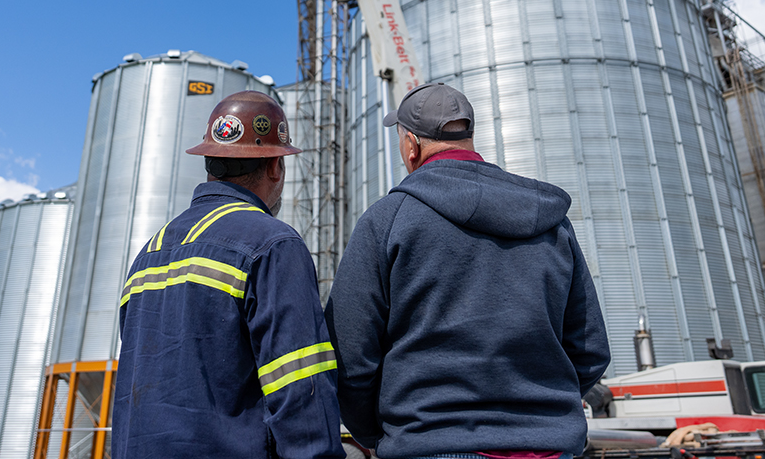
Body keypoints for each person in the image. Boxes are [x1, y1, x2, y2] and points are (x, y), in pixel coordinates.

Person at [325, 83, 610, 459]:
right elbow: (590, 351)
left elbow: (349, 357)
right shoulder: (552, 223)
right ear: (469, 137)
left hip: (432, 445)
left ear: (411, 144)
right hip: (550, 447)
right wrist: (541, 416)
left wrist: (378, 434)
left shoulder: (389, 220)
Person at [113, 91, 345, 459]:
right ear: (275, 167)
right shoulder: (272, 244)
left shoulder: (148, 255)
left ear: (209, 162)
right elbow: (301, 385)